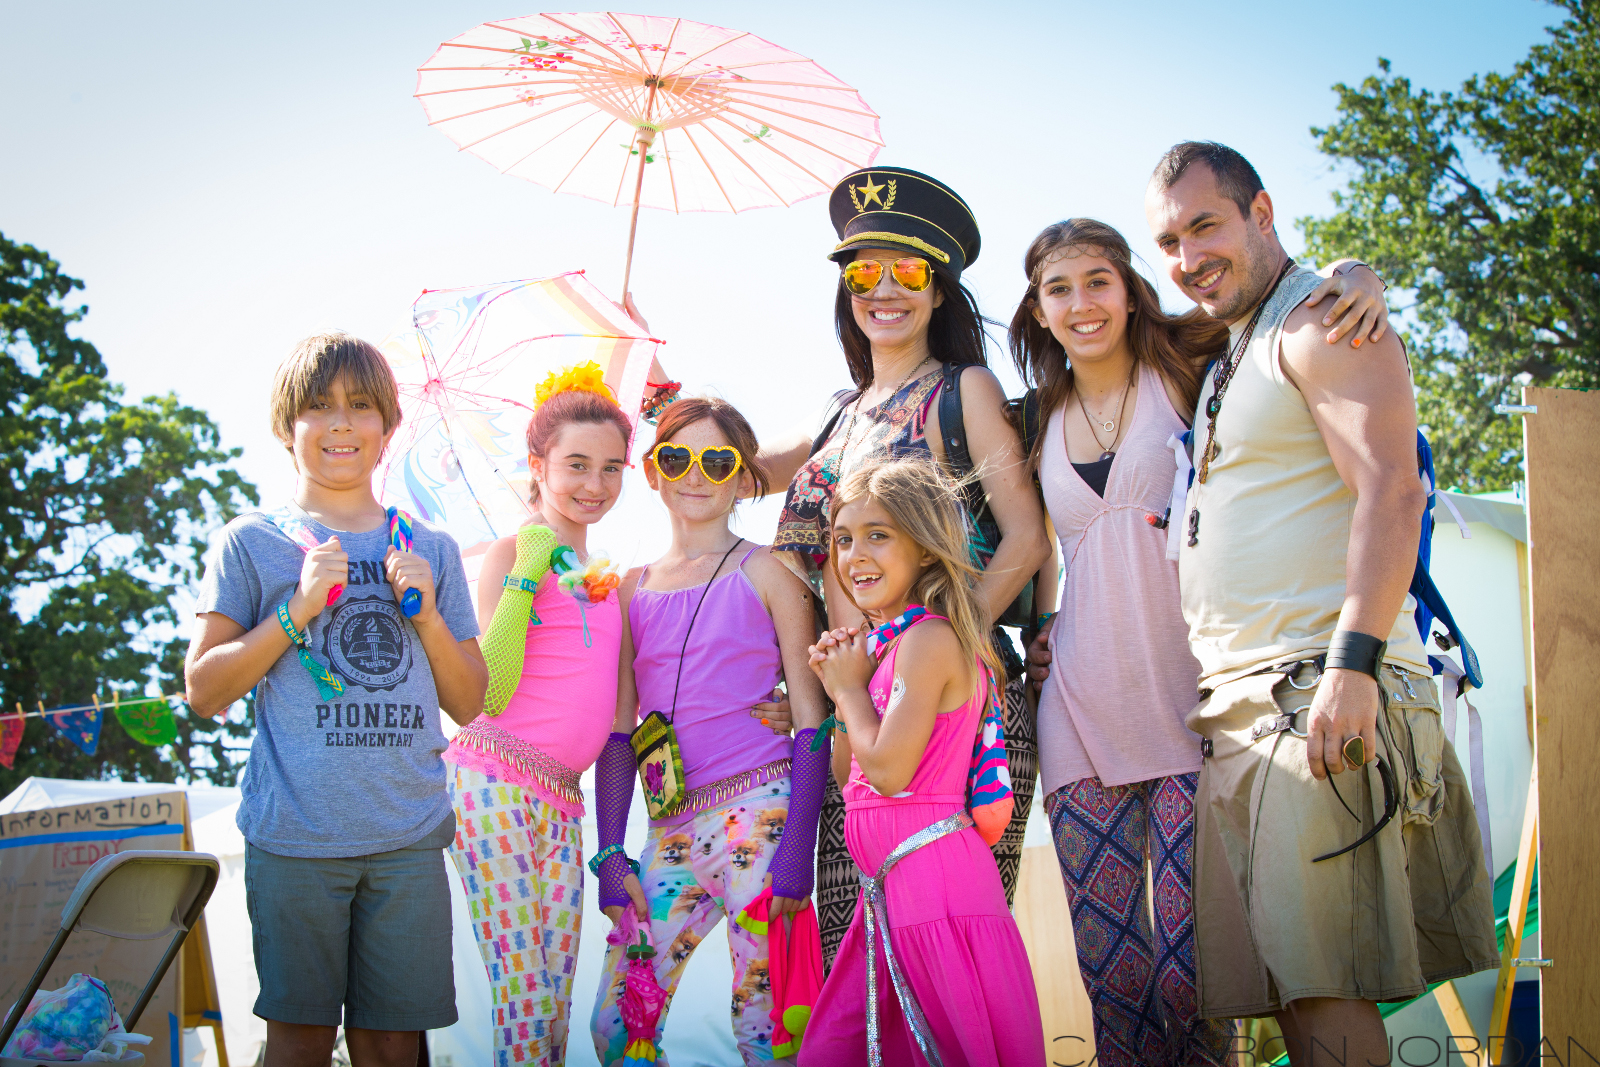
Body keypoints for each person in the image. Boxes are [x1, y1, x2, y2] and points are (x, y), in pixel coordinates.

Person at [1142, 141, 1497, 1060]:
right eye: (1169, 240)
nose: (1186, 258)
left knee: (1327, 990)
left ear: (1262, 211)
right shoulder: (1231, 350)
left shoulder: (1318, 321)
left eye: (1205, 225)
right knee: (1296, 997)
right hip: (1244, 705)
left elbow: (1393, 487)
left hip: (1316, 684)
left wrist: (1353, 665)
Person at [1009, 219, 1390, 1067]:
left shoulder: (1189, 364)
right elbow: (1027, 545)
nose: (1082, 303)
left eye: (1097, 280)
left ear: (1129, 286)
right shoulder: (1032, 416)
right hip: (1077, 706)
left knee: (1195, 965)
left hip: (1197, 701)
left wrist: (1357, 272)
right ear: (1037, 310)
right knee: (1110, 974)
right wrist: (1038, 630)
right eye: (1059, 289)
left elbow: (1283, 305)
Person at [759, 166, 1051, 965]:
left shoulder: (966, 390)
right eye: (863, 271)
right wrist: (661, 412)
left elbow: (1027, 537)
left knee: (949, 954)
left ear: (940, 288)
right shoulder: (839, 413)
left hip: (956, 711)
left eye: (908, 271)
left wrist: (942, 642)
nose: (883, 288)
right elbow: (734, 462)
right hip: (854, 712)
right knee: (850, 950)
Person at [185, 332, 487, 1067]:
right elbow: (204, 688)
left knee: (393, 1041)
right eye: (319, 407)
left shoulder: (434, 549)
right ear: (289, 428)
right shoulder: (250, 542)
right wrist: (295, 610)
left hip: (407, 836)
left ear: (387, 427)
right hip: (295, 837)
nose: (342, 423)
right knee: (300, 1039)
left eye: (360, 406)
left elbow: (471, 700)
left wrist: (427, 617)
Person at [589, 397, 829, 1066]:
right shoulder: (628, 588)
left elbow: (810, 718)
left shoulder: (772, 571)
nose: (696, 474)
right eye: (677, 457)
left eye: (717, 460)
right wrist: (611, 854)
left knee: (770, 1031)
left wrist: (797, 849)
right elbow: (618, 731)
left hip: (761, 816)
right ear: (652, 472)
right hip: (668, 832)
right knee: (615, 1024)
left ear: (745, 478)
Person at [799, 456, 1044, 1067]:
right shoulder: (884, 650)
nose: (856, 555)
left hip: (937, 896)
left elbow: (890, 774)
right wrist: (847, 683)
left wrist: (848, 692)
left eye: (878, 535)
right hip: (887, 897)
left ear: (928, 548)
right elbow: (849, 777)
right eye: (843, 539)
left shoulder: (929, 639)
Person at [438, 363, 638, 1067]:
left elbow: (620, 723)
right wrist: (527, 565)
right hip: (492, 782)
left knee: (551, 1003)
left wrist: (612, 846)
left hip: (564, 800)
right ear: (538, 464)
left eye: (612, 467)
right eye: (576, 464)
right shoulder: (509, 553)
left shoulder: (612, 586)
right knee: (524, 994)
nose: (594, 484)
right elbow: (487, 691)